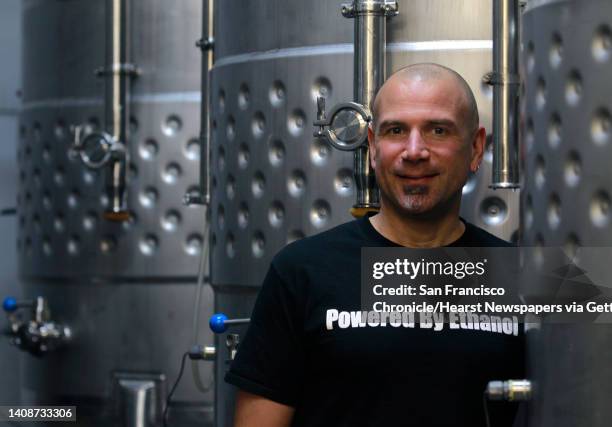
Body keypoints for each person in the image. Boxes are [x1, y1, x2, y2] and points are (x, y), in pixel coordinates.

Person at [225, 63, 524, 426]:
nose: (414, 151)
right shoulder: (302, 270)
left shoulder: (523, 273)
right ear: (372, 145)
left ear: (476, 148)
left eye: (438, 130)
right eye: (396, 130)